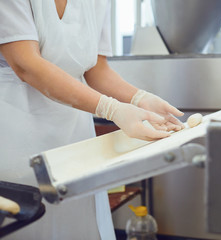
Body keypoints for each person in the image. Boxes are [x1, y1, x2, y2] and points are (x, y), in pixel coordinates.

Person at [0, 0, 184, 239]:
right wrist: (111, 108)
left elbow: (97, 69)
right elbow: (25, 65)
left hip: (75, 139)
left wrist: (139, 99)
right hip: (16, 132)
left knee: (77, 219)